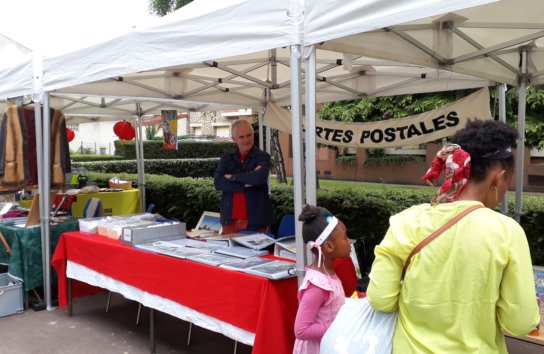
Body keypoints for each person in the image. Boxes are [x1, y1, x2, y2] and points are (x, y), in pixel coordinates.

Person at [367, 119, 540, 354]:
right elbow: (519, 323)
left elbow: (381, 299)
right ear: (499, 178)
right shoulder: (506, 232)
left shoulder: (405, 222)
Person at [293, 205, 352, 354]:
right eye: (345, 237)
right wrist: (338, 325)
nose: (349, 241)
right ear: (329, 246)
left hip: (328, 344)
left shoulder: (328, 272)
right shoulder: (317, 286)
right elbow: (301, 330)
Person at [214, 119, 274, 234]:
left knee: (259, 252)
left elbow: (259, 178)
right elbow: (218, 183)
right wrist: (245, 182)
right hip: (230, 220)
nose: (247, 140)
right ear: (233, 138)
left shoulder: (262, 156)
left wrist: (232, 177)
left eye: (249, 135)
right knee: (228, 252)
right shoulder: (227, 157)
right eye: (241, 137)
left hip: (257, 220)